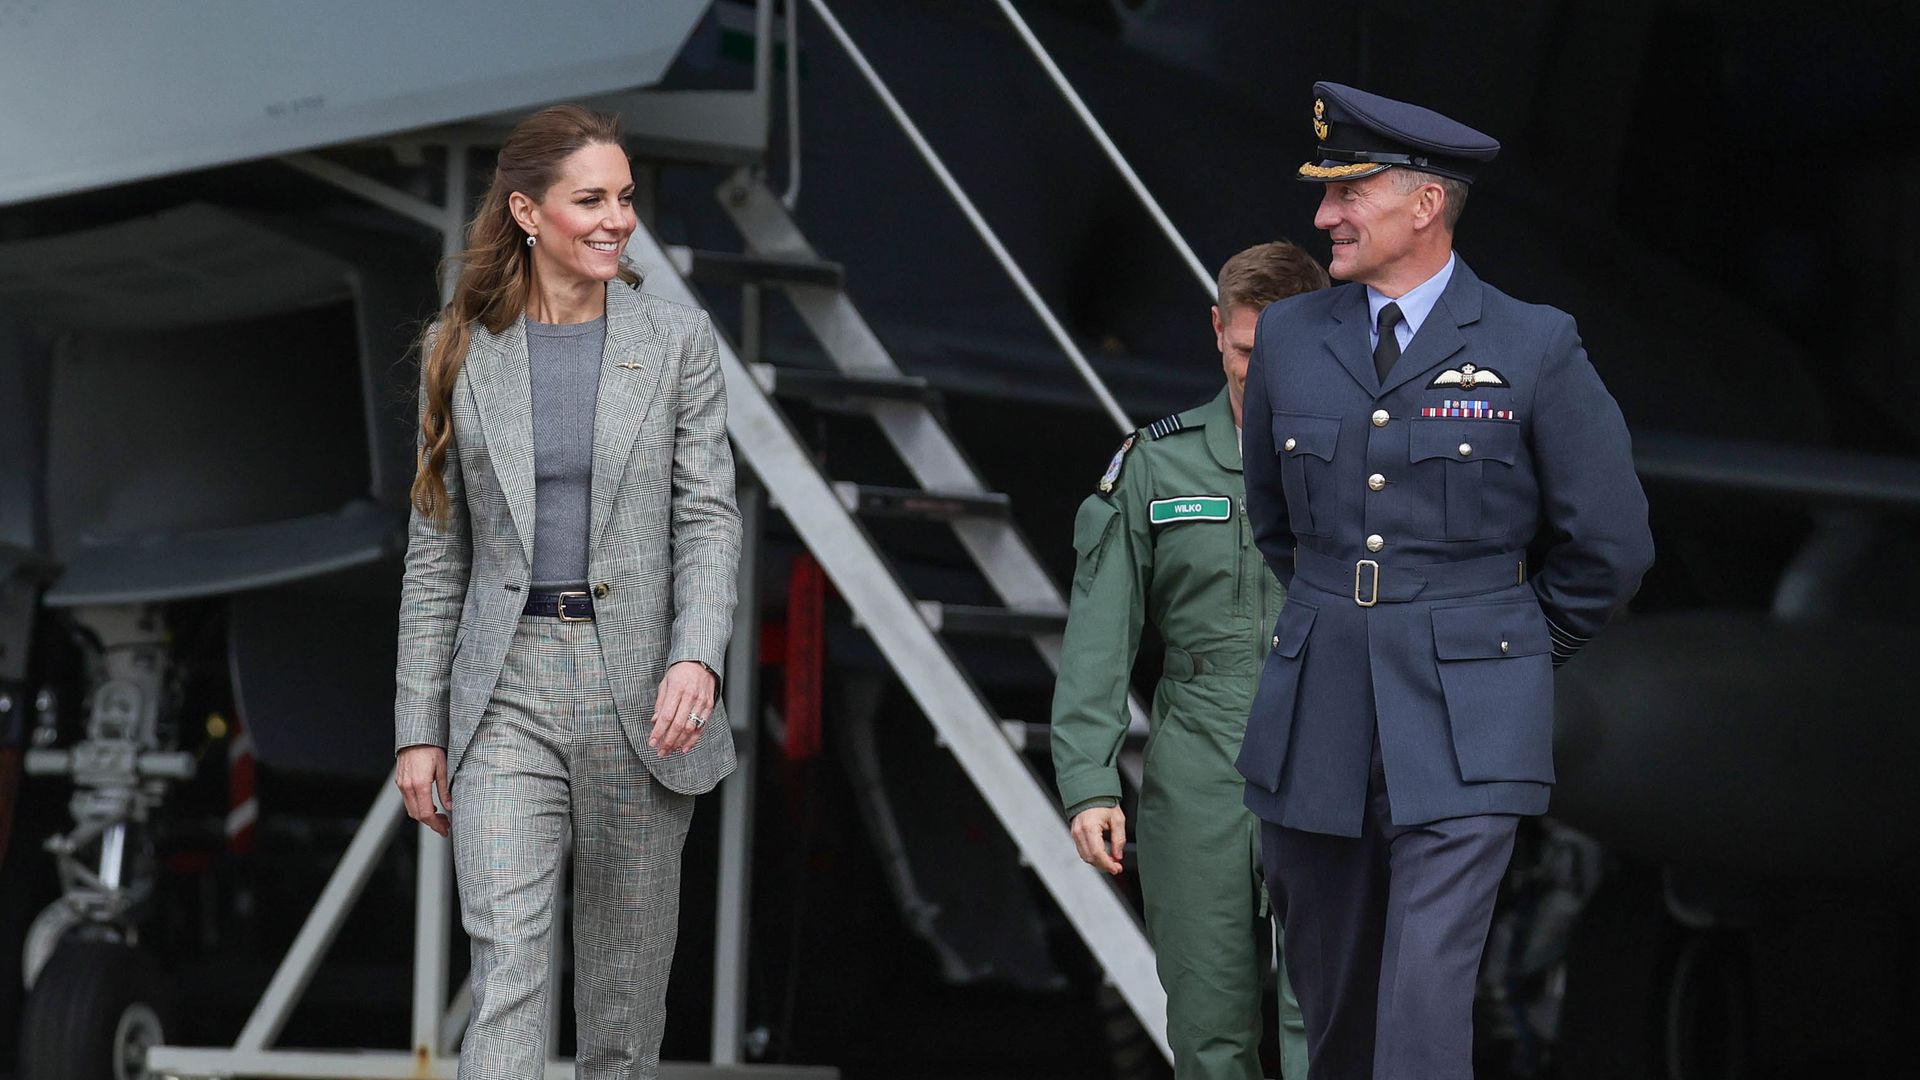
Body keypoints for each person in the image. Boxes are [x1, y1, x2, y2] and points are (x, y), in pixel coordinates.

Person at [1236, 84, 1653, 1080]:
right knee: (1332, 1002)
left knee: (1424, 994)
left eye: (1348, 194)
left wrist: (1504, 650)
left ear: (1425, 204)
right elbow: (1276, 522)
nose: (1323, 217)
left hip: (1469, 716)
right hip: (1319, 707)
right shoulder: (1290, 339)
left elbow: (1611, 545)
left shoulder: (1532, 344)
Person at [392, 104, 741, 1080]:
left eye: (624, 198)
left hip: (643, 691)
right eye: (590, 200)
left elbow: (708, 518)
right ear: (527, 212)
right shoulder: (461, 348)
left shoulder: (677, 341)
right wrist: (418, 725)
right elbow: (436, 554)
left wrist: (696, 655)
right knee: (508, 970)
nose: (616, 219)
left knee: (623, 1012)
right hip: (505, 687)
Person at [1052, 242, 1329, 1080]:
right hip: (1200, 765)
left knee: (1327, 1029)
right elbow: (1101, 633)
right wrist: (1090, 782)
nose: (1263, 373)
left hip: (1327, 757)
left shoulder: (1364, 465)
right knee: (1208, 1030)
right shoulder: (1154, 465)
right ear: (1216, 330)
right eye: (1246, 350)